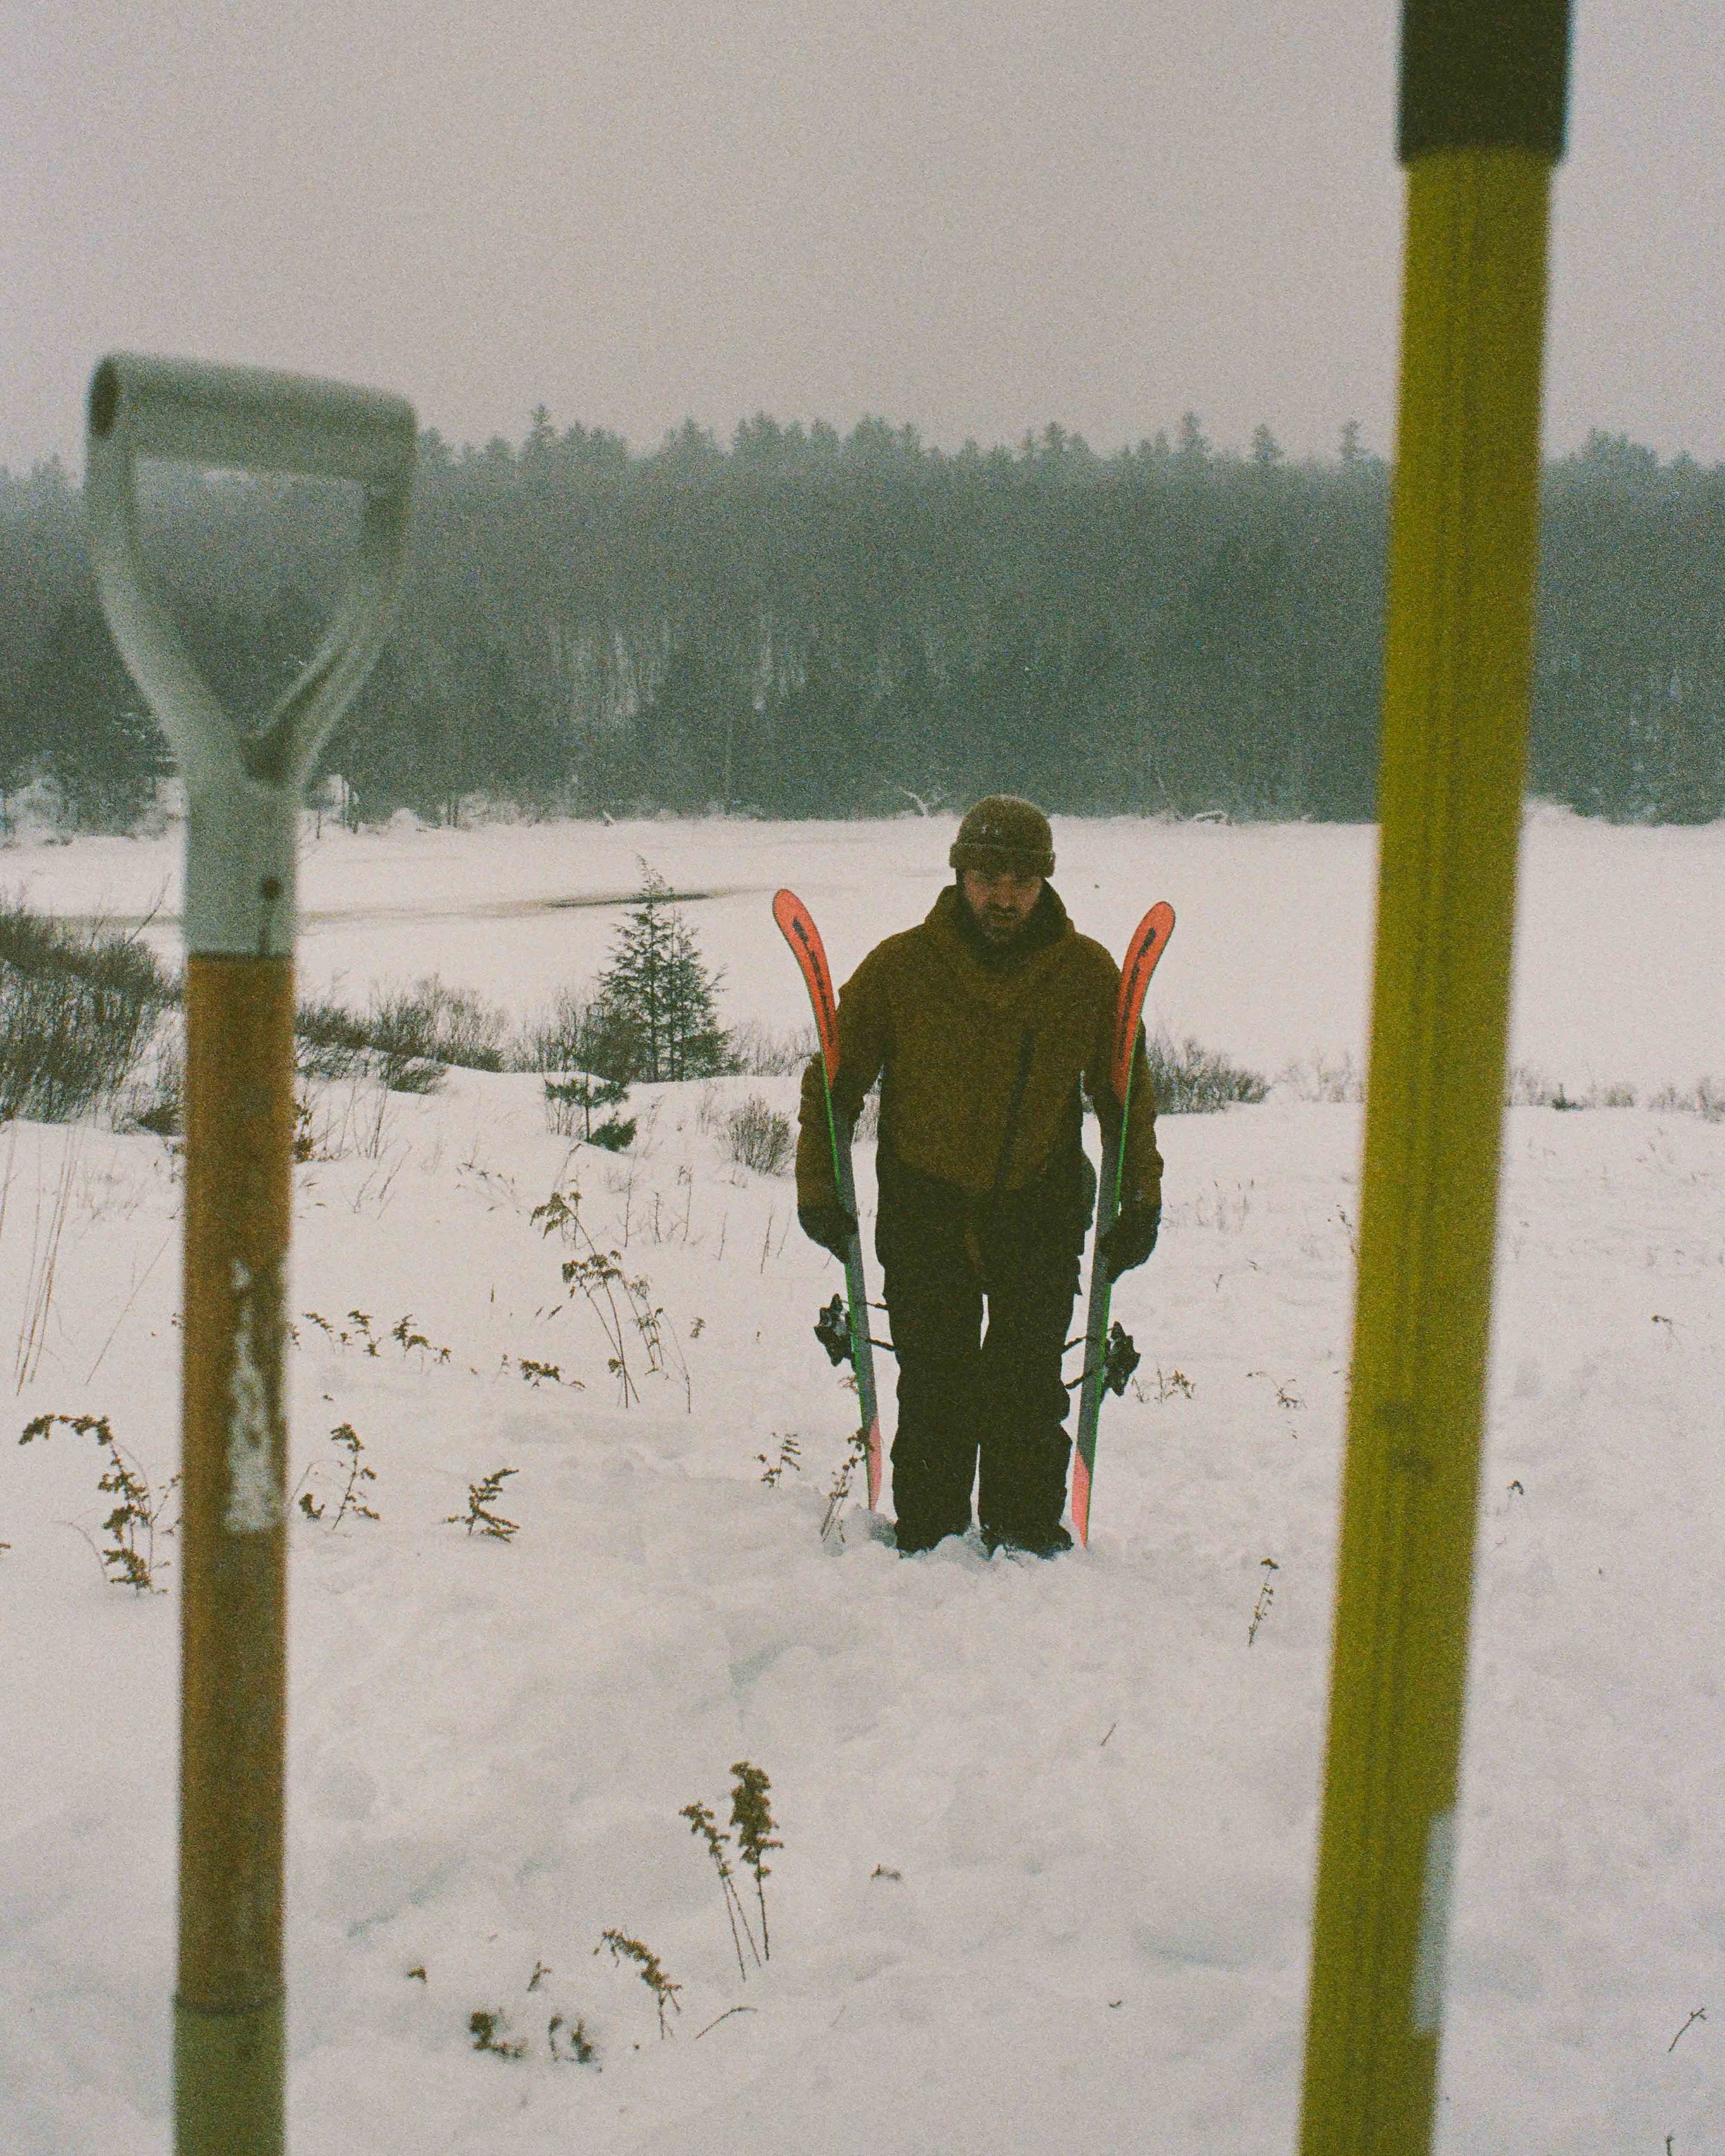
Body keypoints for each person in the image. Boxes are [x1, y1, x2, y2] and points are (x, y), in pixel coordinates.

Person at [795, 797, 1163, 1557]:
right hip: (925, 1200)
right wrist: (818, 1189)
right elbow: (832, 1084)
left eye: (1023, 879)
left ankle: (1024, 1535)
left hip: (1040, 1199)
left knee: (1026, 1379)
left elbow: (1124, 1094)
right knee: (935, 1374)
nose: (1004, 896)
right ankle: (927, 1533)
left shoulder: (1085, 973)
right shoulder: (902, 967)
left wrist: (1141, 1196)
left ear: (1045, 882)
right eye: (988, 876)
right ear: (960, 873)